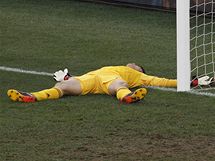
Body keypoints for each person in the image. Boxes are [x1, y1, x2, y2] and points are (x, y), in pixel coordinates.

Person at [7, 63, 178, 104]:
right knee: (63, 87)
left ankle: (128, 97)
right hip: (89, 79)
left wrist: (187, 82)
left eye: (135, 64)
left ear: (139, 70)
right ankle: (31, 96)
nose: (132, 63)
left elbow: (162, 81)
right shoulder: (114, 66)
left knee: (119, 84)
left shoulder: (138, 76)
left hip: (110, 82)